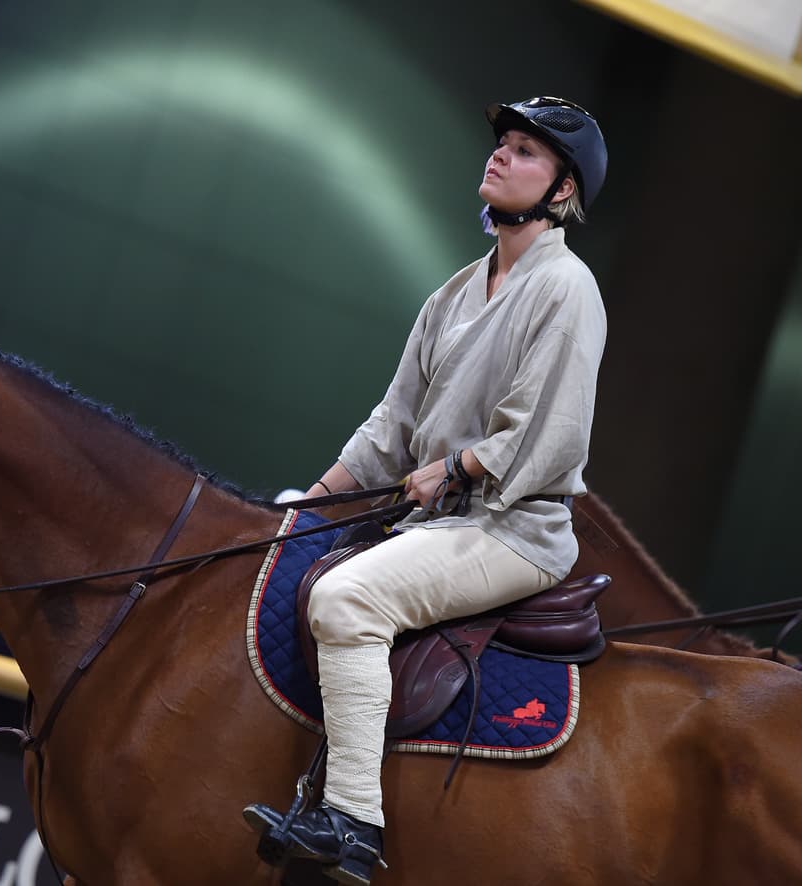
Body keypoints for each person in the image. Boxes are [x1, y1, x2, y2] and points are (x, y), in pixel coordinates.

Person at [244, 97, 609, 884]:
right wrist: (304, 508)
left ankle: (352, 822)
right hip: (438, 524)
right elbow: (391, 426)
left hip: (516, 531)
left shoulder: (568, 290)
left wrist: (458, 468)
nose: (501, 157)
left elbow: (546, 438)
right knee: (277, 562)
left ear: (564, 191)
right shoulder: (450, 294)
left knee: (347, 602)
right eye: (502, 144)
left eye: (527, 152)